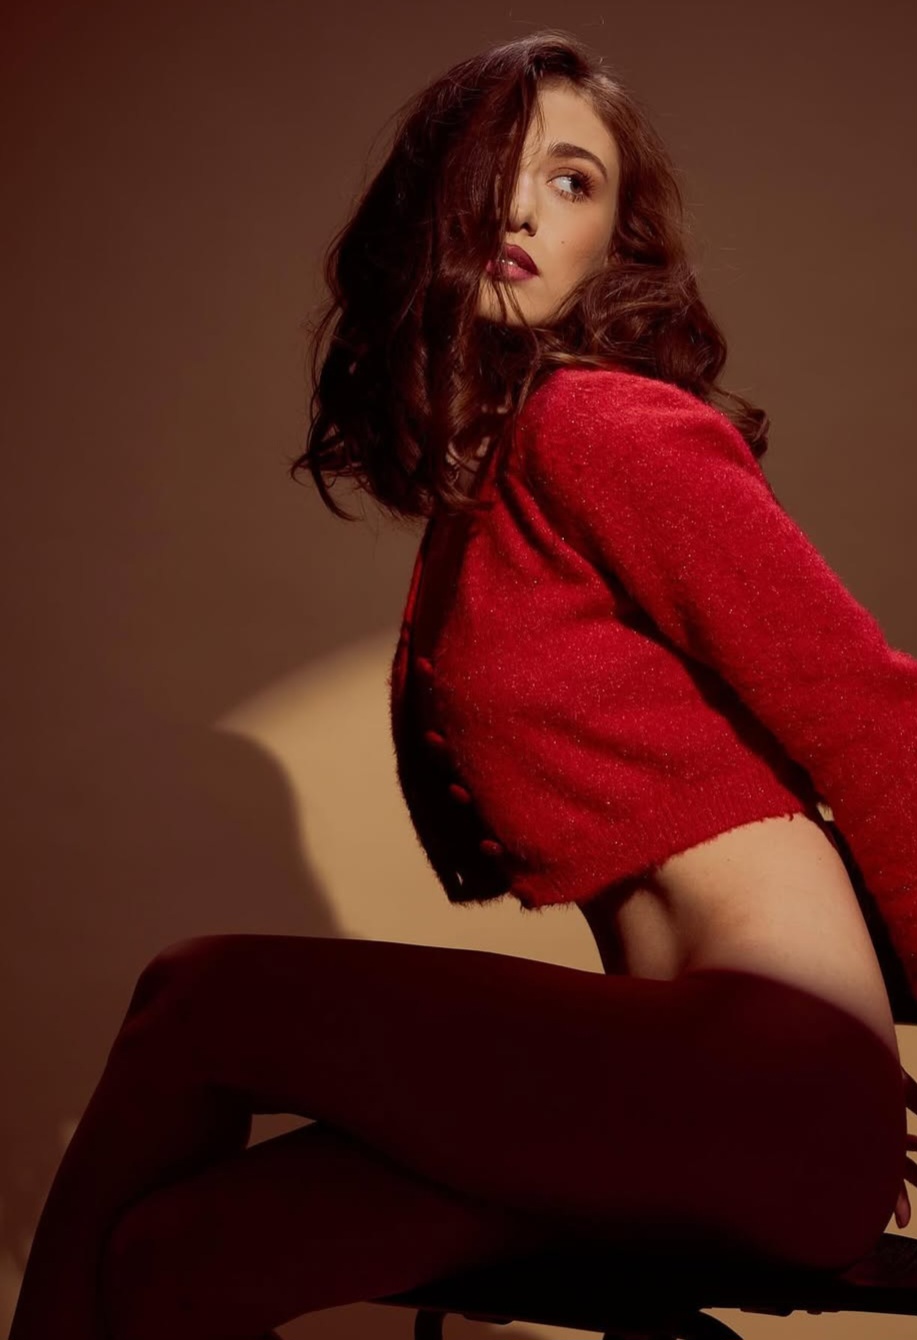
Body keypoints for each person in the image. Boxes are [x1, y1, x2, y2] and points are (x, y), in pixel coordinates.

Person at [10, 28, 917, 1340]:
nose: (522, 209)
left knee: (201, 996)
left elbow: (867, 708)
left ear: (616, 242)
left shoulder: (603, 424)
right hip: (647, 1093)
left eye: (571, 180)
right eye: (495, 170)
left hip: (762, 1084)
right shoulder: (486, 483)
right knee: (179, 1261)